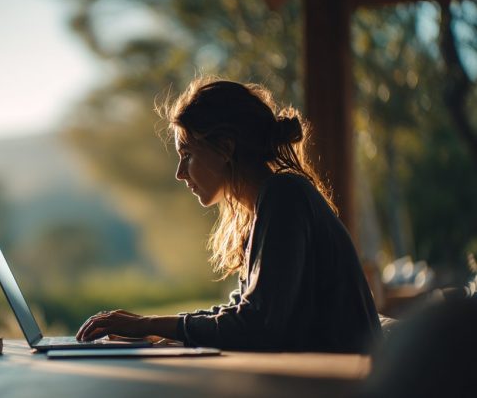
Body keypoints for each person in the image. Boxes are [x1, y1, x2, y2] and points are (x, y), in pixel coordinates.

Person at [76, 77, 382, 353]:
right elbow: (243, 314)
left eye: (187, 155)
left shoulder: (284, 195)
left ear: (225, 148)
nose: (180, 174)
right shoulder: (263, 207)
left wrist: (149, 325)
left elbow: (256, 325)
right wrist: (154, 330)